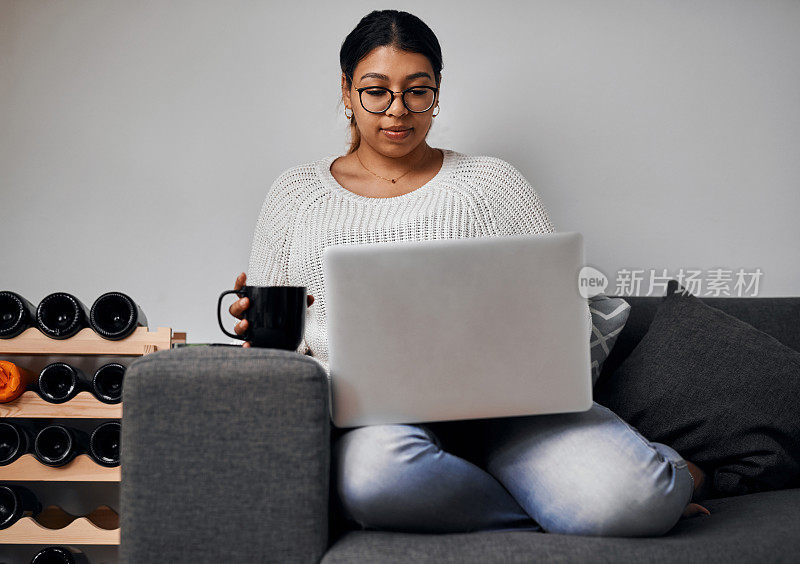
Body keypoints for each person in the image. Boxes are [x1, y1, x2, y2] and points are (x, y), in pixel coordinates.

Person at [228, 9, 711, 537]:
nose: (397, 110)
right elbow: (277, 352)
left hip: (511, 413)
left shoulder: (493, 184)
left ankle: (670, 474)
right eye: (375, 91)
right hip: (379, 424)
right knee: (373, 481)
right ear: (346, 92)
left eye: (417, 91)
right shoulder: (294, 196)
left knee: (633, 503)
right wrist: (258, 332)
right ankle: (547, 505)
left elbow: (563, 313)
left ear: (437, 93)